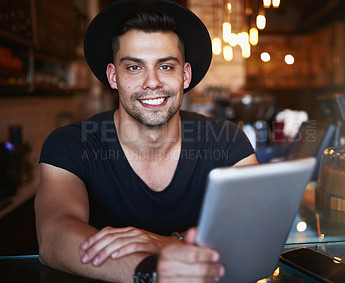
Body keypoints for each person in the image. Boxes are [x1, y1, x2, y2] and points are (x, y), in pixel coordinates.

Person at [34, 0, 258, 282]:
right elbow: (54, 237)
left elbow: (254, 234)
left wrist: (160, 242)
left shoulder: (226, 140)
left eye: (165, 66)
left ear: (184, 75)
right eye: (134, 68)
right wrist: (153, 271)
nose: (152, 82)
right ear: (113, 77)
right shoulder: (72, 144)